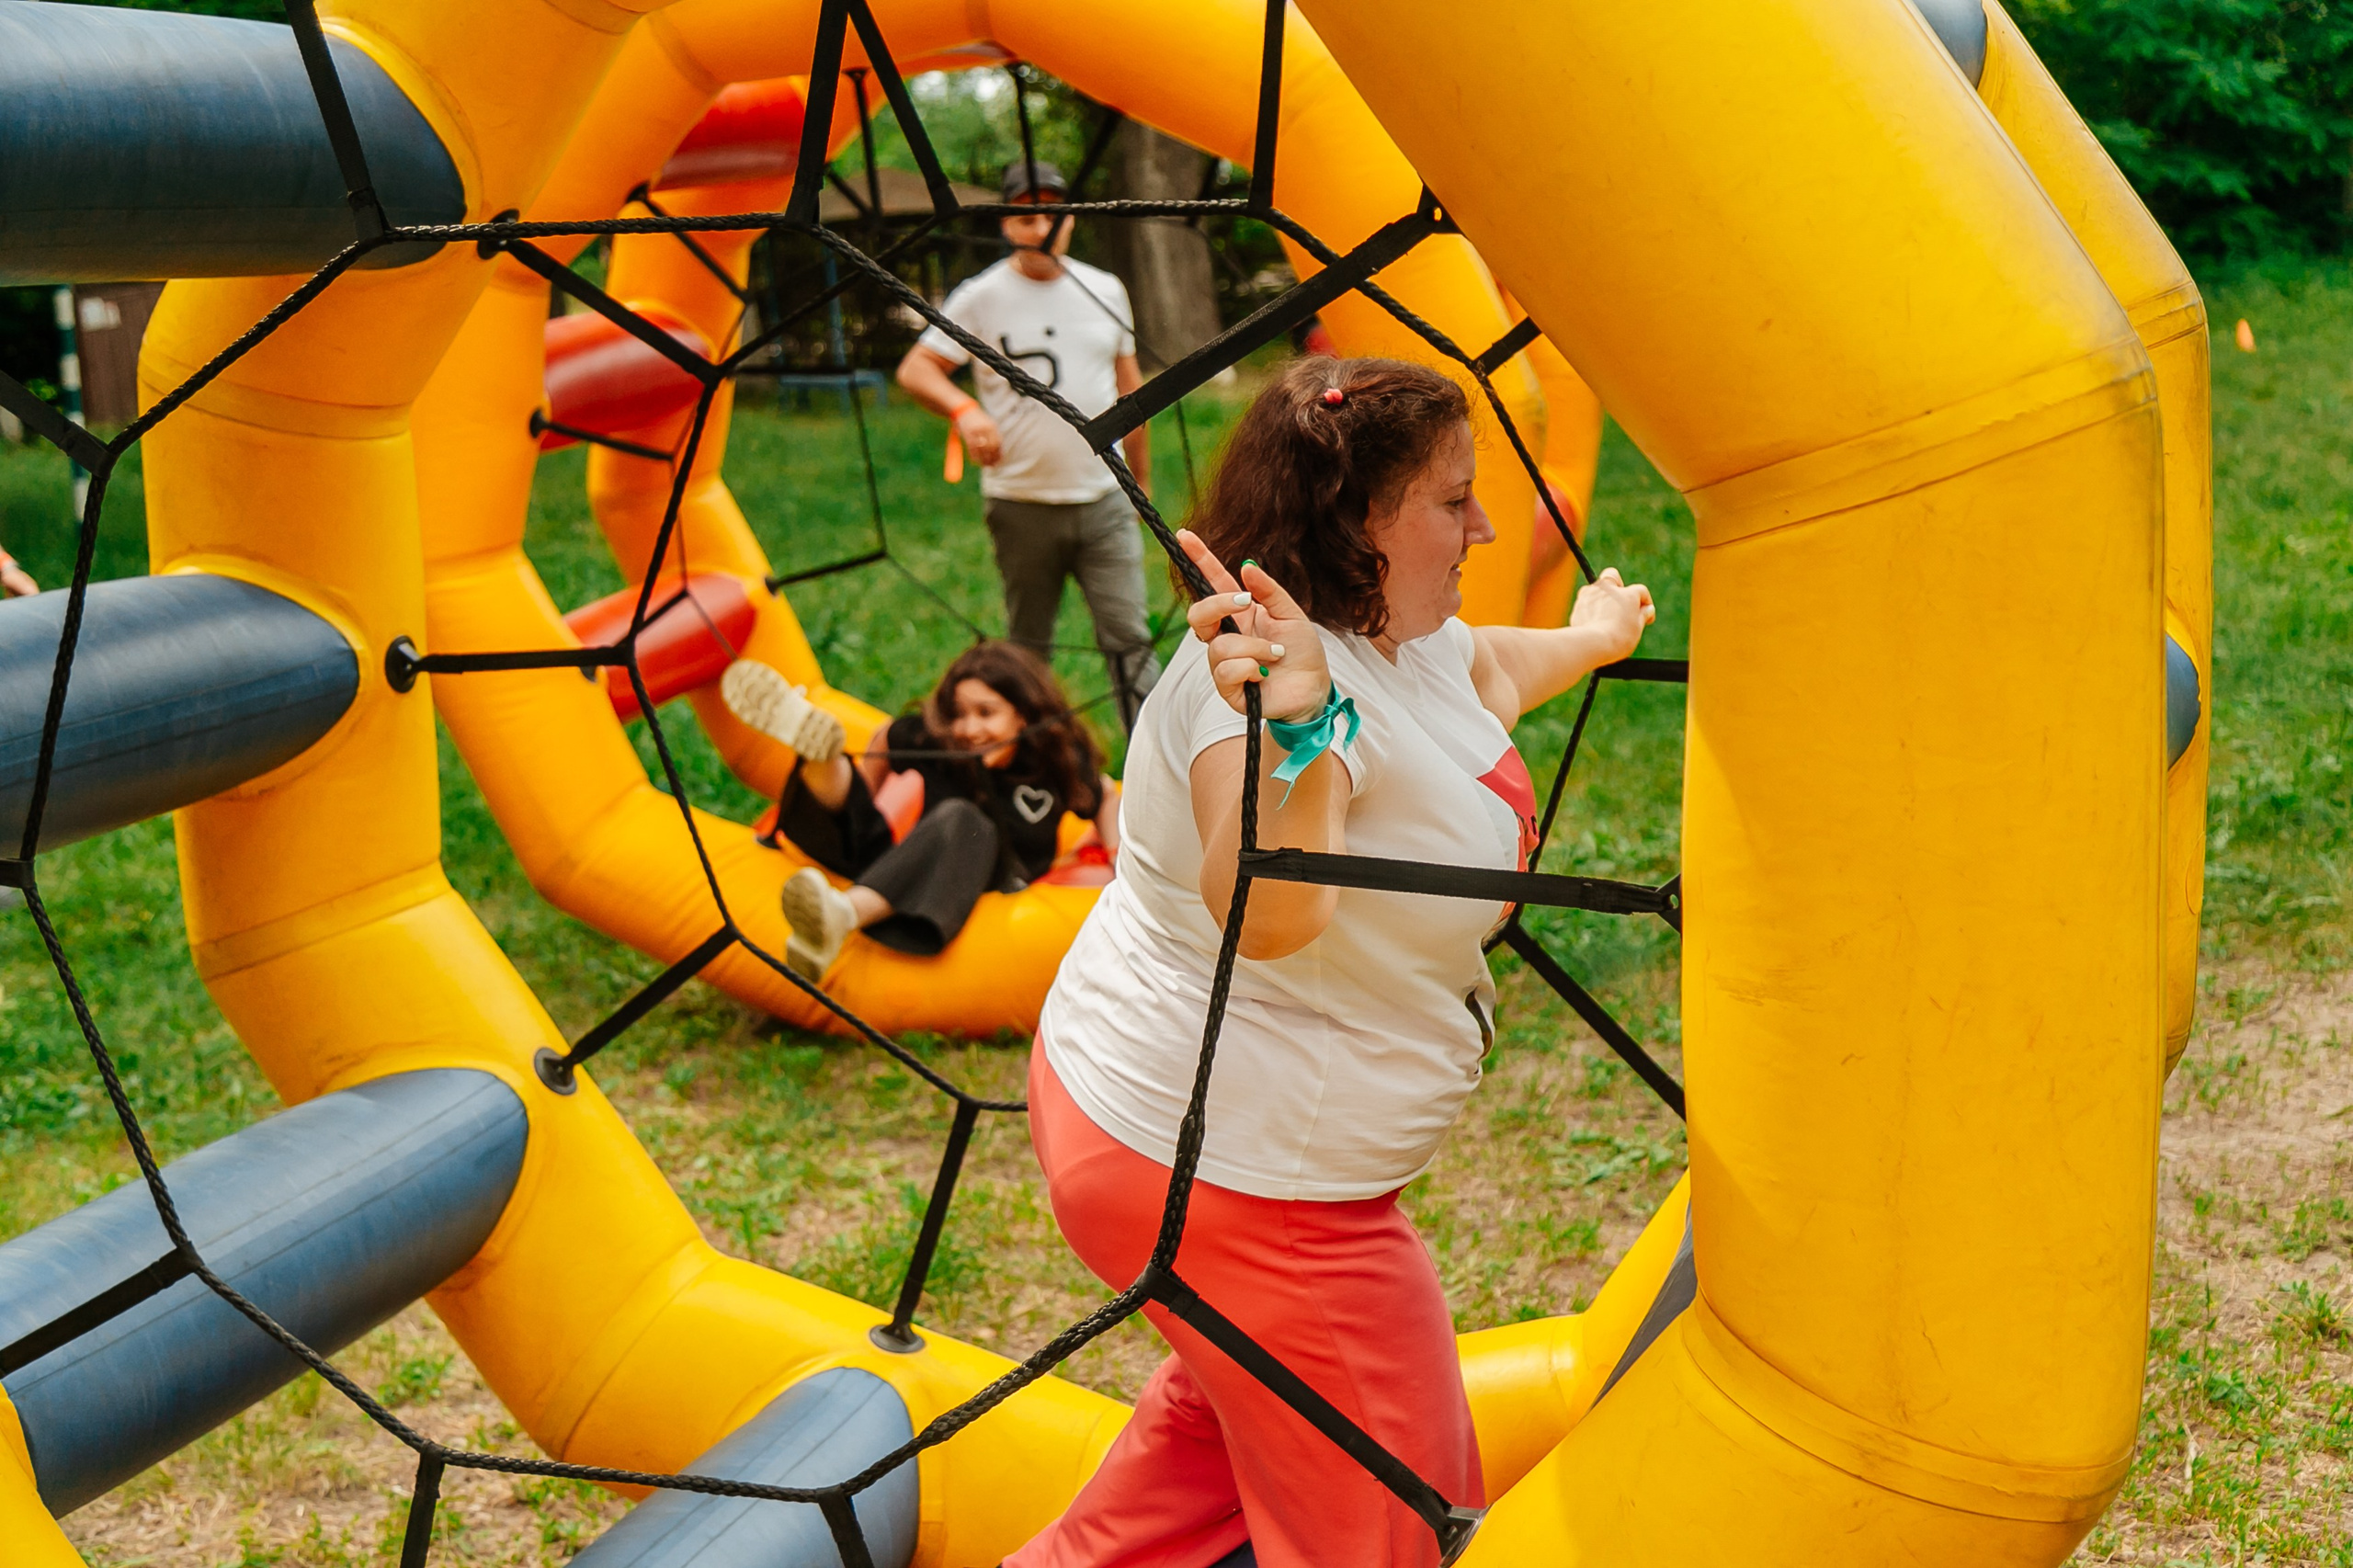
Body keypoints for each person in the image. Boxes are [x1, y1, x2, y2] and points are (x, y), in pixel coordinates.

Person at [1009, 358, 1657, 1568]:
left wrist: (1590, 637)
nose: (1486, 525)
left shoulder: (1403, 636)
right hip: (1235, 1180)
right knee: (1392, 1512)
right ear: (1362, 522)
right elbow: (1262, 913)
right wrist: (1300, 728)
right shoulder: (1255, 692)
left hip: (1193, 1142)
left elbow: (1487, 674)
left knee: (1238, 1412)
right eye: (1453, 501)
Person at [896, 158, 1164, 730]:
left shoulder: (1105, 289)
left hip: (1104, 500)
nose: (1040, 223)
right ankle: (1033, 764)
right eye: (1025, 211)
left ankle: (1156, 770)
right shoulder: (980, 297)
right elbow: (917, 369)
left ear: (1070, 219)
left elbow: (1129, 390)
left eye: (1051, 209)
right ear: (1006, 224)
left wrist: (1140, 484)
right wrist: (965, 409)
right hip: (1021, 503)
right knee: (1027, 648)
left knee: (1129, 640)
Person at [722, 642, 1120, 981]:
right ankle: (822, 757)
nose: (969, 729)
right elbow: (887, 738)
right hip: (918, 866)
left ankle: (843, 913)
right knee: (867, 811)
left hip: (998, 878)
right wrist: (866, 802)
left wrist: (1121, 859)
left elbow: (1102, 793)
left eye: (986, 713)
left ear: (1023, 713)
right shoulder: (940, 742)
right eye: (959, 714)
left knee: (963, 818)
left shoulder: (1052, 764)